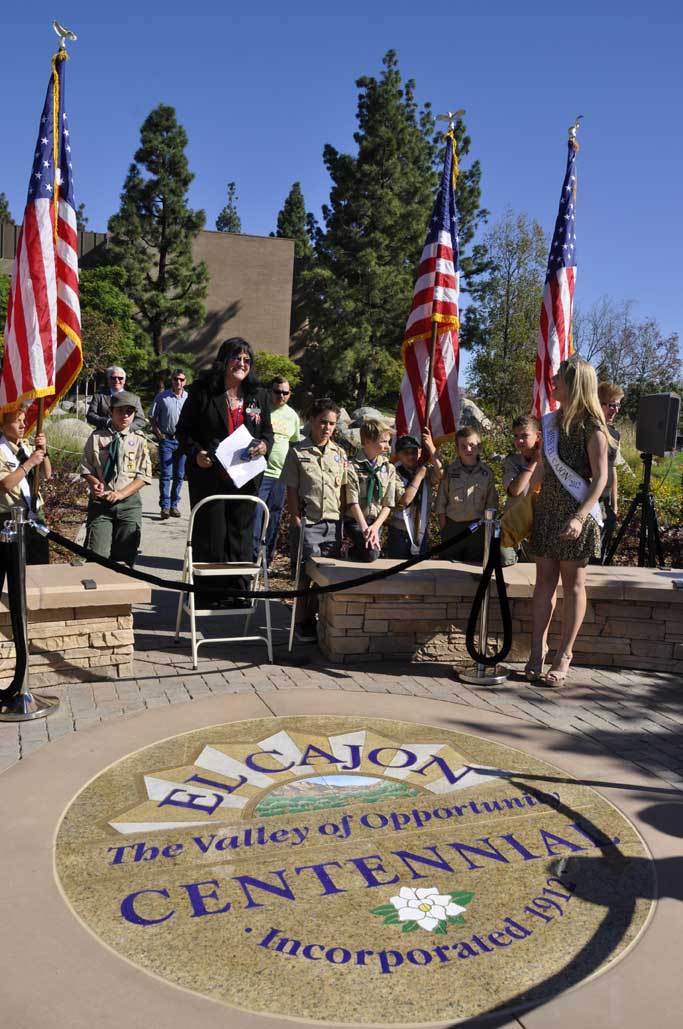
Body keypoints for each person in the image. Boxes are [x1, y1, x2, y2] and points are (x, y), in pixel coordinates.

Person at [527, 357, 613, 686]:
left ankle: (564, 654)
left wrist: (579, 516)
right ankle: (537, 650)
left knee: (573, 586)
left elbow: (600, 479)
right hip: (548, 511)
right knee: (544, 585)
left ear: (574, 384)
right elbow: (544, 468)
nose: (552, 381)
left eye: (558, 378)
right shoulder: (550, 423)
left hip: (577, 516)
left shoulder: (593, 428)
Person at [176, 337, 273, 609]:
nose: (242, 364)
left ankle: (239, 592)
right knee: (212, 534)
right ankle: (209, 595)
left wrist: (264, 445)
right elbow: (183, 431)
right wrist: (197, 454)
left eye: (246, 360)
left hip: (245, 478)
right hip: (211, 478)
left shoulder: (259, 395)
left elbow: (267, 433)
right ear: (223, 360)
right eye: (236, 358)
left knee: (241, 535)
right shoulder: (202, 391)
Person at [280, 399, 348, 642]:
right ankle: (301, 622)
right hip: (308, 523)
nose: (327, 427)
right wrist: (296, 519)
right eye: (323, 422)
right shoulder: (297, 452)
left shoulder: (340, 454)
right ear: (312, 420)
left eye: (332, 424)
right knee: (304, 576)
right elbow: (291, 489)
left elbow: (343, 490)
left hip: (333, 524)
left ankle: (319, 619)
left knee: (327, 578)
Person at [81, 391, 152, 566]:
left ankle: (120, 593)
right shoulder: (97, 437)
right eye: (120, 411)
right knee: (97, 556)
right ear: (111, 411)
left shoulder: (139, 440)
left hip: (129, 505)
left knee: (125, 559)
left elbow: (144, 476)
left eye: (130, 411)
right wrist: (94, 482)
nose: (125, 415)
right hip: (101, 504)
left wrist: (121, 494)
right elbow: (86, 467)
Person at [252, 376, 300, 567]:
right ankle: (251, 557)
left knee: (274, 517)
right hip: (259, 473)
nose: (281, 395)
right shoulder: (259, 408)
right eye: (277, 391)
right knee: (255, 514)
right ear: (270, 391)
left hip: (280, 475)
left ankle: (267, 560)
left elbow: (295, 443)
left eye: (285, 392)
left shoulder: (293, 416)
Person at [0, 405, 51, 575]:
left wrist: (43, 451)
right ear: (3, 425)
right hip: (10, 516)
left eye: (24, 421)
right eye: (17, 421)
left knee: (39, 565)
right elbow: (6, 484)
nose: (23, 426)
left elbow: (47, 473)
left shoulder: (27, 446)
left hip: (35, 512)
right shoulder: (1, 450)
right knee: (15, 569)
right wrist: (29, 463)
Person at [436, 426, 498, 562]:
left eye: (472, 445)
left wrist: (487, 531)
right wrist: (444, 529)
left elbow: (491, 504)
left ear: (479, 447)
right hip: (452, 527)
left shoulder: (486, 474)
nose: (468, 449)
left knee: (472, 569)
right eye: (463, 446)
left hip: (477, 528)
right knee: (448, 569)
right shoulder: (450, 472)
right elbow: (441, 502)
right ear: (457, 450)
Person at [345, 419, 398, 562]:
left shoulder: (388, 468)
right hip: (356, 521)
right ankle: (348, 552)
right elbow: (352, 501)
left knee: (372, 554)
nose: (388, 447)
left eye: (388, 442)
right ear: (368, 441)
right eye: (384, 442)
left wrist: (374, 527)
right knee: (371, 555)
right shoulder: (352, 467)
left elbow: (388, 503)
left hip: (376, 521)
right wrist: (364, 529)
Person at [385, 429, 443, 559]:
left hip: (421, 531)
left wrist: (431, 447)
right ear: (398, 455)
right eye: (406, 453)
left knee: (419, 574)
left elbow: (441, 475)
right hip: (399, 532)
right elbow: (405, 500)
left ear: (420, 452)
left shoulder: (425, 470)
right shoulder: (394, 473)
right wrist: (419, 476)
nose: (410, 456)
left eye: (414, 452)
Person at [499, 414, 541, 566]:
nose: (519, 441)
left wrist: (540, 460)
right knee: (503, 559)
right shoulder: (511, 462)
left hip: (535, 528)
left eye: (524, 435)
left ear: (538, 436)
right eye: (516, 436)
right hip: (512, 527)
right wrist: (535, 461)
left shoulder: (550, 463)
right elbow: (515, 490)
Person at [148, 369, 189, 520]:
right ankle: (164, 506)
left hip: (182, 442)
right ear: (171, 380)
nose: (178, 382)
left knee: (179, 476)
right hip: (167, 440)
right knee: (166, 474)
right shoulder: (162, 397)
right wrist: (158, 433)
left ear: (185, 381)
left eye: (181, 379)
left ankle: (174, 506)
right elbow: (152, 416)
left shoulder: (188, 398)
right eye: (175, 379)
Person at [596, 381, 624, 561]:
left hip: (604, 501)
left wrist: (614, 504)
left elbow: (613, 470)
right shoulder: (586, 429)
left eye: (618, 405)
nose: (615, 410)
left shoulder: (614, 434)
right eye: (612, 405)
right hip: (586, 500)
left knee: (601, 555)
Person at [87, 366, 146, 431]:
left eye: (120, 378)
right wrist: (108, 422)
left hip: (126, 437)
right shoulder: (99, 396)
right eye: (113, 378)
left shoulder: (134, 399)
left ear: (124, 380)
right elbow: (90, 415)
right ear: (108, 380)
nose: (117, 380)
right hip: (103, 434)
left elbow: (141, 420)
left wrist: (126, 429)